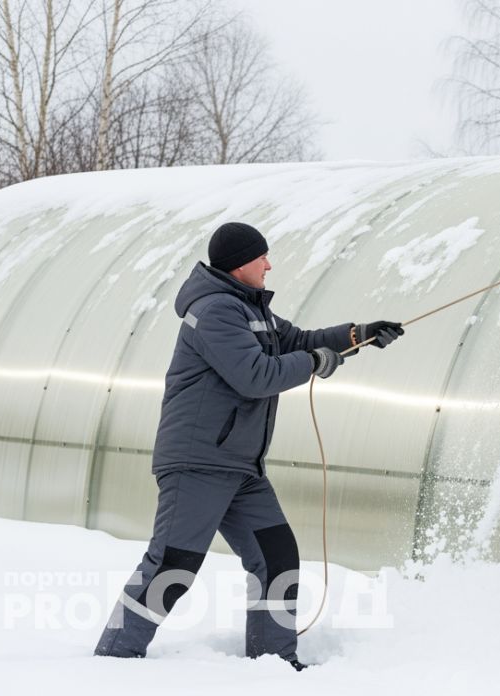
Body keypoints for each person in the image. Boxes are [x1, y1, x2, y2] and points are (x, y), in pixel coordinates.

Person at [94, 222, 405, 669]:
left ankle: (273, 664)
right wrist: (315, 364)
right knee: (173, 566)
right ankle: (113, 660)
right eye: (263, 257)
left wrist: (358, 335)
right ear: (241, 263)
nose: (269, 264)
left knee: (277, 558)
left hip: (241, 468)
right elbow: (256, 376)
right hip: (198, 463)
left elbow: (298, 341)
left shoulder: (248, 308)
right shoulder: (215, 311)